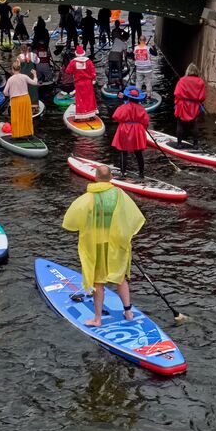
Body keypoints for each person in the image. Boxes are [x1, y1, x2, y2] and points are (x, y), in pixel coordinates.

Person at [62, 164, 146, 327]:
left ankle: (97, 319)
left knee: (98, 282)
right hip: (116, 243)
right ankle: (128, 313)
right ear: (111, 178)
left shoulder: (89, 197)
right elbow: (133, 217)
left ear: (95, 177)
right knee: (120, 278)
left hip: (97, 244)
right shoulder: (119, 194)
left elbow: (71, 220)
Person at [111, 85, 151, 178]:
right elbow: (146, 121)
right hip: (137, 130)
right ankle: (141, 173)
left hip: (125, 129)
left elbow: (116, 117)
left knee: (123, 150)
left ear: (128, 97)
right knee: (138, 152)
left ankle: (123, 172)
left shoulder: (123, 107)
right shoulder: (141, 108)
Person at [3, 67, 39, 138]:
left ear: (12, 70)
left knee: (16, 118)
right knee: (26, 117)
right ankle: (28, 133)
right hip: (25, 99)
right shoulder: (24, 76)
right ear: (20, 69)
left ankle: (17, 135)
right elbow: (35, 83)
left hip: (15, 100)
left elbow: (5, 92)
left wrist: (10, 95)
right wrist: (35, 75)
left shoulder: (10, 79)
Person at [65, 45, 99, 118]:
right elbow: (93, 72)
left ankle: (80, 115)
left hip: (79, 83)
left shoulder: (73, 62)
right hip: (88, 83)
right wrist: (93, 79)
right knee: (89, 98)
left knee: (80, 99)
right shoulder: (88, 61)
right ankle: (91, 114)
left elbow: (68, 71)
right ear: (83, 53)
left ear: (76, 54)